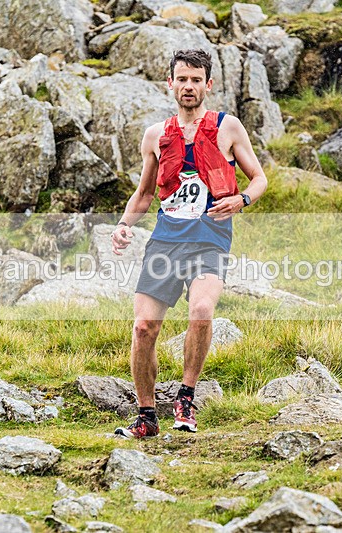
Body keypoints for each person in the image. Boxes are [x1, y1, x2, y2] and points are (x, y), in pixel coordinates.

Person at [111, 49, 268, 439]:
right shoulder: (156, 135)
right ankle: (146, 417)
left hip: (209, 240)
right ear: (170, 83)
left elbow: (260, 178)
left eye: (196, 80)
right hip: (165, 241)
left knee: (200, 310)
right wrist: (123, 225)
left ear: (208, 85)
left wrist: (242, 199)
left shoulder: (228, 127)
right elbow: (145, 195)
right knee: (144, 328)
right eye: (182, 79)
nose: (188, 86)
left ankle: (186, 396)